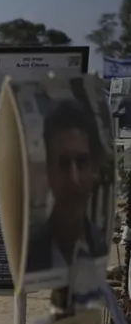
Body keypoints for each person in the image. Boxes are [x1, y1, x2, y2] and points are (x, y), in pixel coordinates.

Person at [25, 99, 107, 274]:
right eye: (63, 163)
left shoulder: (100, 247)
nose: (74, 179)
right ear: (49, 171)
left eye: (82, 162)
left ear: (94, 169)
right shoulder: (30, 255)